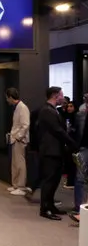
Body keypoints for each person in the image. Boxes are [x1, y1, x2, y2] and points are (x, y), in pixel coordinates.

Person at [36, 86, 78, 221]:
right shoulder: (47, 110)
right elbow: (57, 130)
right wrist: (72, 143)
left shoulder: (52, 110)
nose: (63, 98)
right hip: (50, 152)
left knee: (54, 181)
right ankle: (45, 209)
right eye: (61, 95)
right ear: (55, 95)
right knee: (49, 181)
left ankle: (50, 205)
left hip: (55, 151)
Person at [5, 88, 30, 196]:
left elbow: (25, 125)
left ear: (10, 97)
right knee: (15, 164)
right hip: (15, 139)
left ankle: (21, 187)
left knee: (20, 164)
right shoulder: (17, 107)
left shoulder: (23, 107)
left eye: (7, 98)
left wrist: (18, 137)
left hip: (20, 140)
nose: (7, 100)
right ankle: (15, 185)